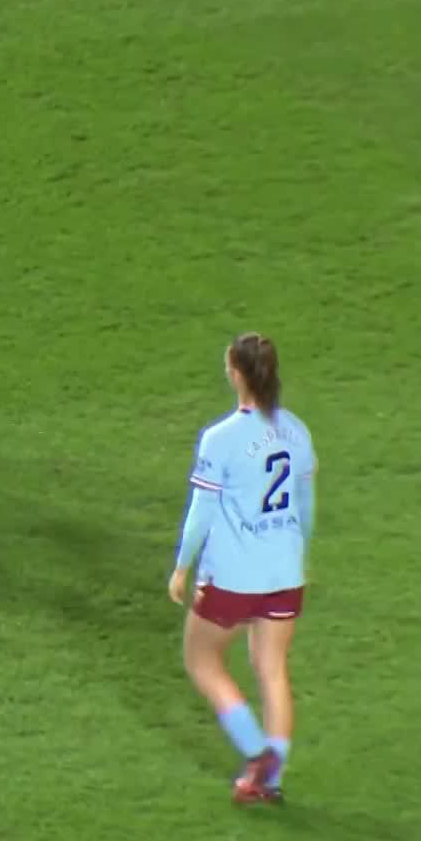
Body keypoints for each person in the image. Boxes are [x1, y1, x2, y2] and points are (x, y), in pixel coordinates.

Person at [170, 331, 316, 805]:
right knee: (272, 669)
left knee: (202, 660)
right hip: (287, 574)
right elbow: (307, 508)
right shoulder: (297, 430)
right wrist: (294, 552)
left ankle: (258, 756)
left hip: (234, 577)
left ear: (236, 373)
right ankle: (270, 782)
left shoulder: (222, 438)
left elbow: (201, 514)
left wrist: (181, 567)